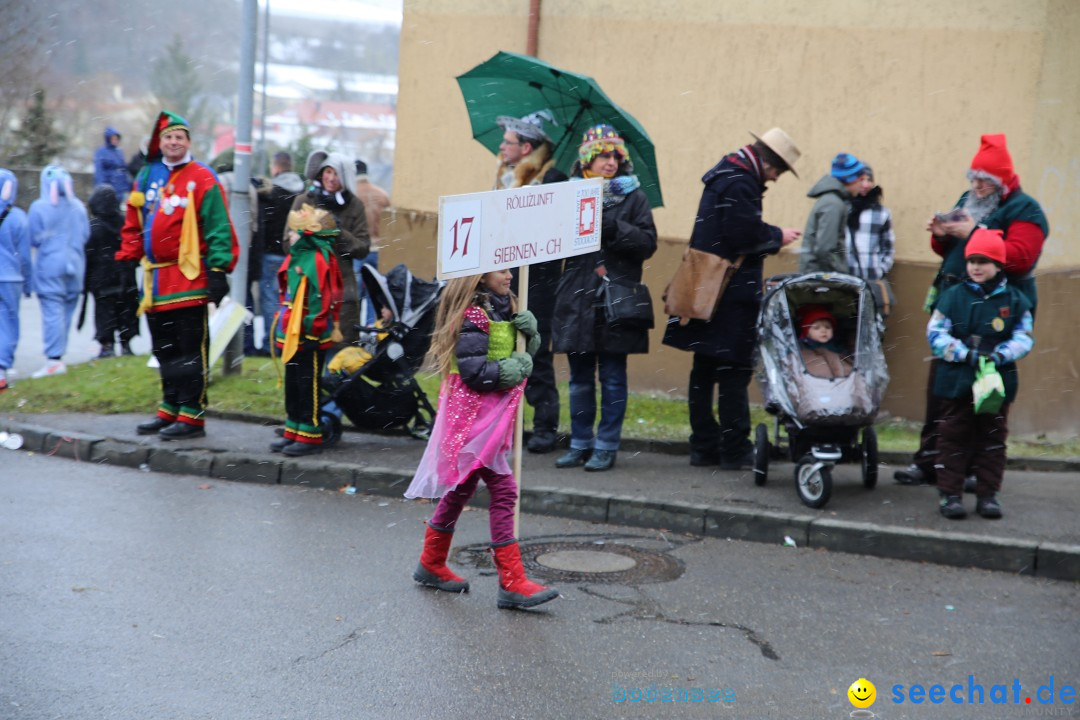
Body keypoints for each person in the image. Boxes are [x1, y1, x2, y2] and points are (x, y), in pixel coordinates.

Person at [895, 134, 1048, 487]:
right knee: (943, 393)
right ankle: (931, 463)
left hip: (997, 318)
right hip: (955, 308)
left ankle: (975, 472)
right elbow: (952, 248)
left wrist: (974, 232)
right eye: (974, 178)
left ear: (1003, 182)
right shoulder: (969, 200)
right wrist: (941, 234)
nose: (977, 186)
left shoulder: (1026, 210)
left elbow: (1020, 260)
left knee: (984, 400)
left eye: (985, 181)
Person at [404, 269, 558, 610]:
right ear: (479, 277)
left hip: (491, 414)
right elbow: (475, 372)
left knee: (461, 488)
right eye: (501, 270)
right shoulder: (474, 314)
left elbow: (519, 353)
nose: (509, 275)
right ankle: (512, 581)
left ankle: (431, 562)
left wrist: (530, 336)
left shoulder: (505, 307)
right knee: (503, 490)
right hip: (474, 416)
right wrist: (511, 371)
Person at [662, 128, 802, 468]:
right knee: (733, 373)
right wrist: (776, 235)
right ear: (768, 162)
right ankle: (734, 449)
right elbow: (742, 234)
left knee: (703, 371)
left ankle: (704, 446)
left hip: (708, 286)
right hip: (731, 293)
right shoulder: (741, 182)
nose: (776, 178)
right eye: (778, 171)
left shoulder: (726, 173)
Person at [118, 110, 239, 440]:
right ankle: (170, 407)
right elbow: (133, 218)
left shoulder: (202, 177)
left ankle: (193, 414)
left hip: (190, 278)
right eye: (168, 137)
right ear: (161, 142)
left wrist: (218, 270)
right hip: (155, 280)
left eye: (179, 137)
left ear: (189, 143)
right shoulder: (146, 176)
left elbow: (218, 227)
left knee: (190, 349)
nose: (173, 142)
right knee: (164, 349)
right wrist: (128, 254)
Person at [551, 124, 657, 473]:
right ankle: (580, 443)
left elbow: (647, 244)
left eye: (615, 156)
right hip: (577, 297)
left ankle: (607, 445)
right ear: (588, 160)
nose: (610, 162)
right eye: (603, 155)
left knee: (612, 376)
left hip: (616, 299)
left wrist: (615, 228)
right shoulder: (567, 195)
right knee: (579, 377)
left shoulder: (633, 197)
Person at [926, 228, 1033, 519]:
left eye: (983, 261)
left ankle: (988, 495)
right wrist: (963, 353)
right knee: (952, 436)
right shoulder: (952, 297)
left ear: (998, 265)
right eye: (971, 260)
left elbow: (1024, 337)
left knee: (992, 438)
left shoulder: (1014, 300)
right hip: (957, 377)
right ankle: (950, 495)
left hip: (996, 380)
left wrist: (1001, 354)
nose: (975, 267)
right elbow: (935, 333)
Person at [493, 111, 564, 454]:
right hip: (505, 278)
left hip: (538, 281)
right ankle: (507, 423)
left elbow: (550, 229)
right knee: (504, 349)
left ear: (526, 147)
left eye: (507, 142)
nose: (501, 147)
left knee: (535, 350)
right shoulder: (504, 178)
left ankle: (545, 425)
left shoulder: (553, 180)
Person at [269, 204, 343, 457]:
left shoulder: (317, 260)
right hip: (292, 328)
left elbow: (321, 299)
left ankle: (310, 433)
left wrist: (313, 330)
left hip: (308, 332)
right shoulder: (297, 257)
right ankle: (293, 428)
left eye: (294, 232)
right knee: (292, 382)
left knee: (307, 383)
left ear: (308, 234)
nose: (289, 235)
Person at [289, 151, 369, 347]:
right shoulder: (304, 201)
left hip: (341, 288)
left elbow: (362, 248)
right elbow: (287, 243)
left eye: (337, 174)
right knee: (306, 346)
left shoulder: (355, 206)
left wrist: (337, 231)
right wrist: (303, 238)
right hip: (308, 284)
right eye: (328, 171)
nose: (331, 179)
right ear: (321, 172)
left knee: (341, 349)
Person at [28, 165, 90, 379]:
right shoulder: (79, 207)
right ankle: (59, 354)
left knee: (52, 309)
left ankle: (54, 359)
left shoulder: (39, 207)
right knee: (66, 310)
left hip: (50, 265)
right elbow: (85, 234)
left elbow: (34, 237)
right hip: (76, 263)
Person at [256, 152, 304, 353]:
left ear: (275, 167)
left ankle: (272, 342)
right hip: (294, 255)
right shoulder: (302, 193)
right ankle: (289, 338)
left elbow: (263, 224)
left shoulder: (271, 193)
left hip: (271, 254)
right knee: (291, 299)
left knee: (270, 298)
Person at [85, 185, 138, 358]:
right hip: (125, 277)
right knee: (126, 311)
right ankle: (126, 344)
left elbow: (88, 254)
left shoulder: (94, 226)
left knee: (104, 313)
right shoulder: (126, 223)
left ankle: (107, 345)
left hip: (102, 280)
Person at [799, 153, 871, 274]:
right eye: (861, 179)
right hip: (821, 283)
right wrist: (839, 277)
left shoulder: (832, 201)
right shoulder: (833, 204)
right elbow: (825, 250)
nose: (863, 185)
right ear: (851, 179)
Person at [845, 166, 896, 318]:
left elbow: (888, 247)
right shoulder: (842, 208)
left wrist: (880, 269)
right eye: (861, 180)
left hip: (871, 279)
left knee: (871, 322)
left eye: (869, 180)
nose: (866, 184)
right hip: (844, 279)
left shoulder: (881, 213)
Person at [0, 168, 32, 392]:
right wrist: (28, 282)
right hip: (10, 278)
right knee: (9, 322)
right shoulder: (19, 217)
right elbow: (25, 257)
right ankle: (2, 367)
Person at [352, 159, 391, 327]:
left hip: (359, 252)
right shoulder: (382, 195)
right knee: (374, 297)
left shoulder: (352, 195)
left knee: (354, 297)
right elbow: (390, 226)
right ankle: (372, 333)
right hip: (380, 251)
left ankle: (353, 336)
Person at [796, 305, 852, 379]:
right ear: (807, 333)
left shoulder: (838, 346)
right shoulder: (801, 347)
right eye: (816, 328)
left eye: (828, 327)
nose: (823, 330)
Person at [93, 127, 131, 200]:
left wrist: (127, 186)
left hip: (119, 189)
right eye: (113, 138)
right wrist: (102, 188)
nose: (115, 141)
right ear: (108, 139)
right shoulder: (101, 152)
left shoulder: (119, 152)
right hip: (108, 188)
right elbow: (99, 172)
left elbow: (124, 170)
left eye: (116, 139)